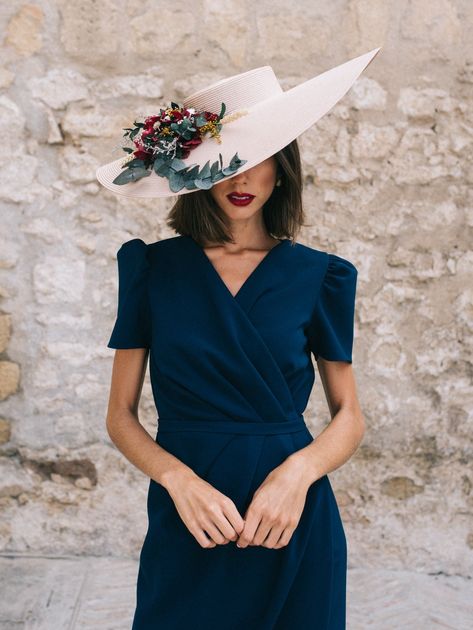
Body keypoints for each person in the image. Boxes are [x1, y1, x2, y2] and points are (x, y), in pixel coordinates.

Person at [96, 48, 381, 630]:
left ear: (283, 166)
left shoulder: (321, 276)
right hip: (191, 517)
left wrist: (297, 476)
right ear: (196, 169)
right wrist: (177, 480)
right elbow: (121, 415)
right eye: (225, 161)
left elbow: (348, 413)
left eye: (259, 158)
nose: (242, 177)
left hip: (290, 516)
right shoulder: (152, 271)